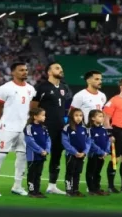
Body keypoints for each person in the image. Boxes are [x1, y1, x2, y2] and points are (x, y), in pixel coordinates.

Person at [0, 62, 36, 197]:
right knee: (1, 155)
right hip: (8, 127)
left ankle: (17, 186)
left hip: (24, 128)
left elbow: (32, 109)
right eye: (21, 70)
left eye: (26, 70)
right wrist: (1, 123)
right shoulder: (5, 88)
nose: (25, 72)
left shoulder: (31, 89)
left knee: (22, 156)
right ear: (13, 72)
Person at [32, 62, 73, 195]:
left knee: (56, 155)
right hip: (44, 127)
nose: (61, 70)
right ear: (49, 72)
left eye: (61, 68)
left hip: (60, 127)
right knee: (39, 156)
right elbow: (33, 107)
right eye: (57, 68)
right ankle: (33, 186)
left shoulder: (63, 87)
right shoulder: (42, 87)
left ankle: (52, 185)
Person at [62, 108, 91, 197]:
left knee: (78, 172)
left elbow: (88, 141)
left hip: (82, 155)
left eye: (80, 115)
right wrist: (74, 152)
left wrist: (84, 152)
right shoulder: (67, 128)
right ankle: (69, 190)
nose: (79, 117)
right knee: (70, 172)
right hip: (71, 154)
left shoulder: (85, 128)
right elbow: (65, 142)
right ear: (71, 116)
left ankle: (76, 190)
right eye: (76, 115)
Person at [24, 107, 51, 198]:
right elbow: (29, 141)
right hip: (32, 155)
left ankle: (37, 190)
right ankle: (31, 191)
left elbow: (48, 140)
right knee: (32, 173)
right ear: (35, 116)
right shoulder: (29, 127)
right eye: (42, 115)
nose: (44, 117)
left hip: (42, 154)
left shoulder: (44, 128)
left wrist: (47, 150)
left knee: (38, 173)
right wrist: (40, 150)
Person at [86, 109, 111, 196]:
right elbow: (91, 143)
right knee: (91, 172)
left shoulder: (103, 129)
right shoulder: (90, 130)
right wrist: (101, 152)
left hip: (102, 155)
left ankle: (97, 188)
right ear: (93, 118)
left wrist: (106, 151)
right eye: (100, 116)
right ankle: (91, 189)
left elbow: (107, 140)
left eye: (102, 116)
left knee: (97, 172)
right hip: (94, 154)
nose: (102, 118)